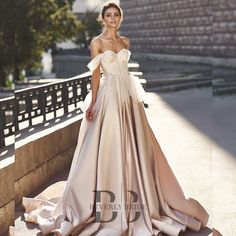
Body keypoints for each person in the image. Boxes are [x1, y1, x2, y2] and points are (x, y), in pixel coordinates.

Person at [22, 1, 209, 235]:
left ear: (120, 18)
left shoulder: (125, 42)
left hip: (128, 98)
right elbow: (96, 76)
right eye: (109, 15)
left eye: (116, 15)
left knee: (136, 145)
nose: (113, 19)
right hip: (108, 97)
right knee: (108, 144)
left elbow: (126, 71)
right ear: (103, 19)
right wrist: (92, 102)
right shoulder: (97, 43)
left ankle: (138, 192)